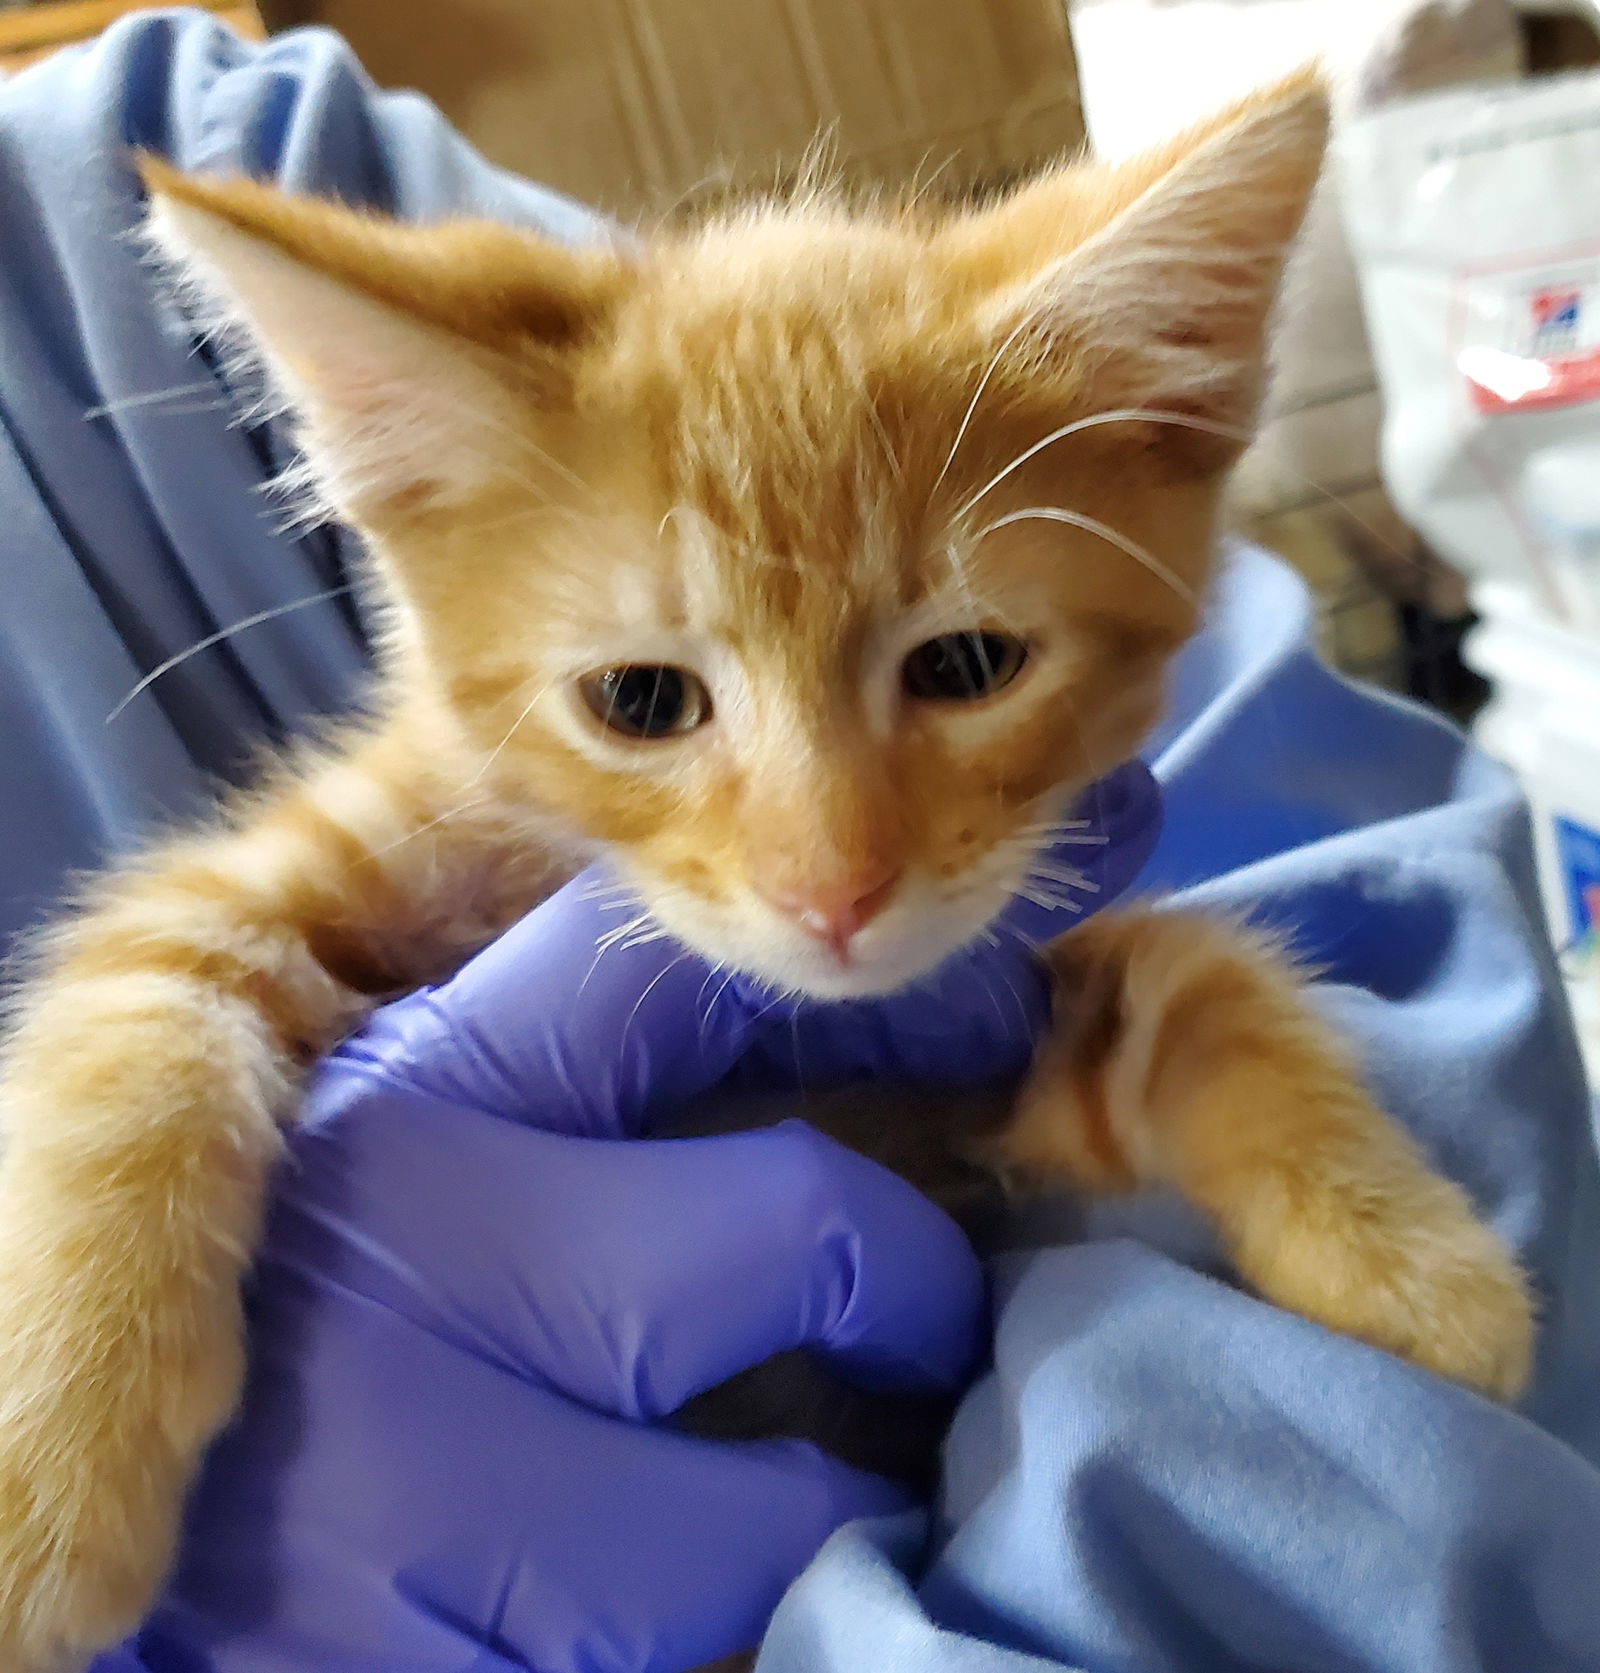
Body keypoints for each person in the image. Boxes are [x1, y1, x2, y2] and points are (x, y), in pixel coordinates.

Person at [2, 11, 1599, 1671]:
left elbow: (1261, 930)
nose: (831, 871)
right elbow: (175, 968)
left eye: (964, 663)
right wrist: (81, 1365)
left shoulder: (146, 167)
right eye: (642, 695)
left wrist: (1302, 1147)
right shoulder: (448, 787)